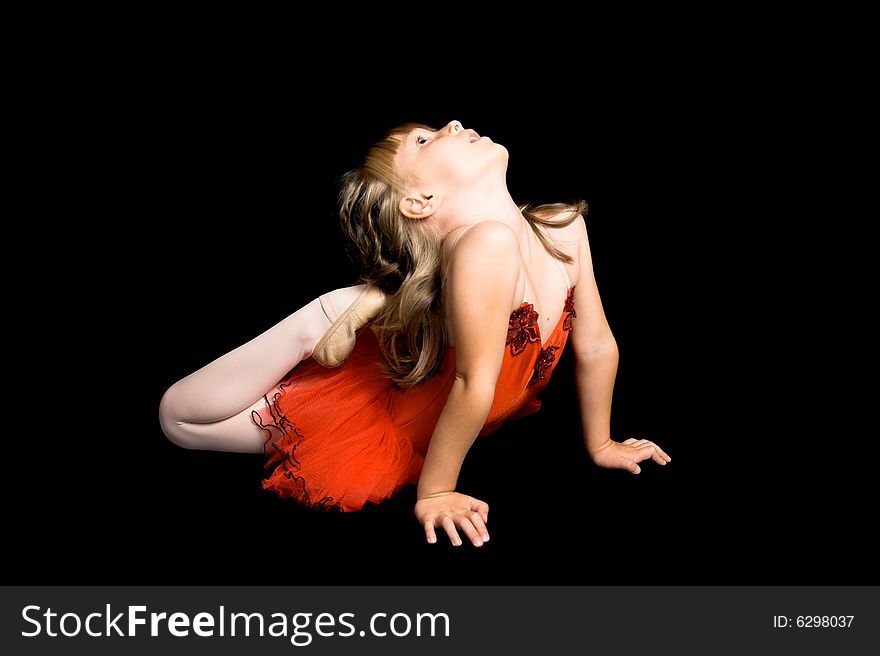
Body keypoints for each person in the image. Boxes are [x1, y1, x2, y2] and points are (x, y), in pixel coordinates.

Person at [159, 120, 671, 548]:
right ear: (420, 200)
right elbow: (473, 383)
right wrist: (436, 492)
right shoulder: (486, 244)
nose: (451, 123)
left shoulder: (562, 227)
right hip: (385, 418)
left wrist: (601, 442)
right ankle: (329, 311)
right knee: (177, 418)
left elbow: (598, 344)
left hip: (417, 395)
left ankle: (372, 304)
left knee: (183, 426)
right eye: (423, 141)